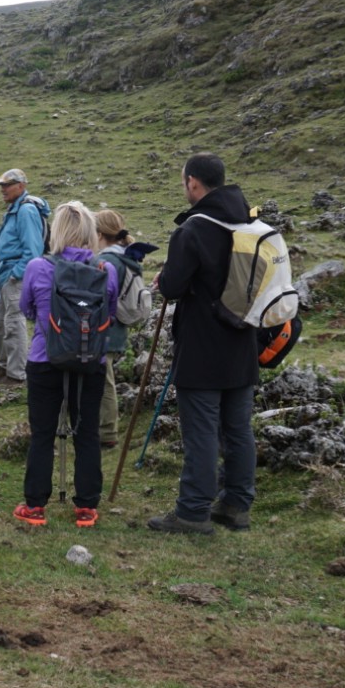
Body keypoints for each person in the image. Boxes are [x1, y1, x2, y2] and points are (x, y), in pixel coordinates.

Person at [148, 153, 259, 535]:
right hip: (243, 342)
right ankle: (236, 506)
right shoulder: (250, 223)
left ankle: (193, 512)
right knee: (238, 429)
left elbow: (173, 287)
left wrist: (164, 278)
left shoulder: (193, 229)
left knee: (202, 431)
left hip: (201, 346)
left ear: (193, 182)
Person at [13, 201, 119, 530]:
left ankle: (35, 506)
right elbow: (110, 312)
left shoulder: (38, 267)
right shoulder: (106, 269)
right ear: (90, 232)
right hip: (91, 360)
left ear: (55, 231)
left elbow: (26, 309)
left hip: (45, 358)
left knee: (42, 433)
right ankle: (86, 506)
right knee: (87, 432)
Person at [0, 168, 46, 386]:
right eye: (1, 186)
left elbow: (33, 249)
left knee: (13, 323)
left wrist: (17, 273)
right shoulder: (15, 209)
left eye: (7, 185)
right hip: (5, 274)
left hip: (15, 276)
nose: (2, 189)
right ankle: (4, 366)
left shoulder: (26, 211)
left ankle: (16, 373)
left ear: (21, 186)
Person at [94, 209, 144, 449]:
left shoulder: (108, 261)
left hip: (105, 329)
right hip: (117, 329)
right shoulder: (124, 256)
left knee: (104, 382)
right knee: (105, 378)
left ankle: (107, 432)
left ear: (99, 234)